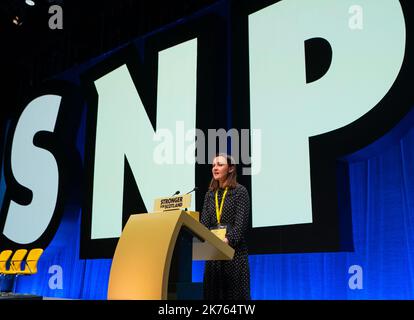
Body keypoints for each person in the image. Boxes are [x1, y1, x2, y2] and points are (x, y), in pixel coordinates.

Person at [200, 153, 251, 300]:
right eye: (213, 165)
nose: (215, 168)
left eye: (220, 165)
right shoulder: (210, 194)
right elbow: (204, 224)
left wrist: (227, 241)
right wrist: (205, 239)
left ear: (230, 168)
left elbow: (240, 225)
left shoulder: (240, 192)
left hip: (233, 254)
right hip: (213, 255)